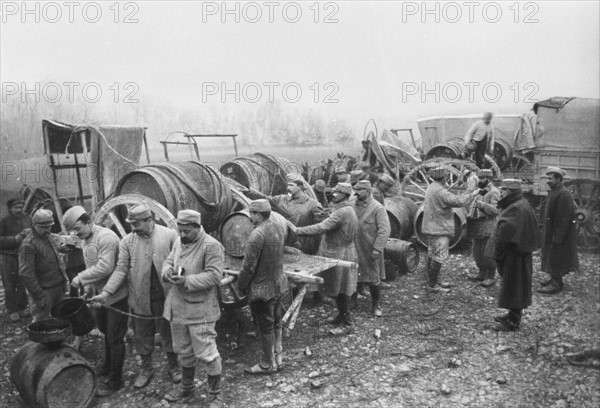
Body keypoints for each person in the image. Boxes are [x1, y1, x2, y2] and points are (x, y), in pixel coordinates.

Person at [90, 204, 181, 389]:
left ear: (150, 220)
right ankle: (146, 369)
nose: (134, 228)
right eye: (131, 224)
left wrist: (178, 274)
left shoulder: (170, 235)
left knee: (169, 333)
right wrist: (106, 293)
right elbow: (121, 269)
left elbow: (182, 261)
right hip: (141, 298)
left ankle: (174, 366)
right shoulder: (127, 242)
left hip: (166, 296)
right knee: (142, 335)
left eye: (137, 224)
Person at [160, 210, 225, 406]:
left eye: (187, 231)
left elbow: (215, 275)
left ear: (198, 227)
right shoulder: (180, 241)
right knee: (184, 351)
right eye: (179, 230)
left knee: (207, 353)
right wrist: (167, 273)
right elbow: (169, 260)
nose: (182, 235)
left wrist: (187, 280)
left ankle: (216, 394)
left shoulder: (211, 246)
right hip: (178, 308)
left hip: (201, 311)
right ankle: (187, 389)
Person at [62, 206, 128, 397]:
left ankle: (116, 380)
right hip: (99, 294)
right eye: (73, 231)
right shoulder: (86, 239)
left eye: (78, 229)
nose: (76, 234)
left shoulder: (105, 237)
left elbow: (106, 267)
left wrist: (80, 278)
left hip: (115, 295)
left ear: (89, 222)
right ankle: (107, 367)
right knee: (106, 331)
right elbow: (92, 266)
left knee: (115, 337)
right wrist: (89, 289)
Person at [292, 183, 359, 336]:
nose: (334, 194)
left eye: (338, 192)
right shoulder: (346, 209)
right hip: (344, 250)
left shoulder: (342, 212)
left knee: (341, 289)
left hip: (340, 253)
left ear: (345, 195)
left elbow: (320, 228)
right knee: (338, 288)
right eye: (334, 191)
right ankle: (340, 316)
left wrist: (296, 230)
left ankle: (347, 323)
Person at [237, 200, 288, 374]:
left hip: (262, 289)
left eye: (252, 213)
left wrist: (241, 285)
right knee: (276, 321)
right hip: (278, 283)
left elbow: (248, 267)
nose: (250, 217)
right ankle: (278, 357)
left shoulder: (257, 234)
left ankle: (267, 364)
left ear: (258, 214)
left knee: (265, 325)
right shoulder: (278, 227)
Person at [491, 179, 540, 331]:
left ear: (510, 192)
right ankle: (513, 314)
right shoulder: (521, 204)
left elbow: (506, 230)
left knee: (515, 286)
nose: (501, 193)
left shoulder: (516, 208)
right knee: (515, 285)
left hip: (515, 254)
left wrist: (498, 251)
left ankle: (513, 321)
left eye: (503, 190)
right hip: (520, 252)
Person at [422, 167, 474, 292]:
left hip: (431, 227)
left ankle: (433, 282)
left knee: (432, 254)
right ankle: (432, 286)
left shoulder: (431, 187)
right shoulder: (440, 191)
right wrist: (472, 193)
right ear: (444, 177)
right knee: (438, 256)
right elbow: (459, 201)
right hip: (440, 228)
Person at [19, 209, 69, 322]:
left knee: (59, 319)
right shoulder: (28, 245)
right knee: (42, 323)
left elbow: (52, 251)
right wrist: (39, 295)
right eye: (43, 227)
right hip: (44, 290)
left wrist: (61, 249)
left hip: (58, 285)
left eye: (49, 226)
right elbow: (26, 274)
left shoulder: (47, 236)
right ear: (34, 225)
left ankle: (58, 339)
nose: (47, 230)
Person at [352, 181, 391, 317]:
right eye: (355, 189)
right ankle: (353, 301)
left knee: (374, 278)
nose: (356, 193)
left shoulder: (377, 208)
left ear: (368, 191)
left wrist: (377, 249)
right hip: (354, 247)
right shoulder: (352, 204)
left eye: (359, 190)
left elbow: (384, 230)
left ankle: (375, 305)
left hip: (370, 249)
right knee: (354, 274)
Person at [538, 167, 579, 295]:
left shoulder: (563, 194)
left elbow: (564, 219)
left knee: (557, 256)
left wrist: (558, 237)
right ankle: (554, 279)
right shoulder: (555, 191)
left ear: (558, 179)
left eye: (550, 178)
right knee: (551, 255)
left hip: (559, 234)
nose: (548, 181)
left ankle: (556, 284)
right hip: (552, 232)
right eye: (547, 178)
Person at [466, 169, 500, 287]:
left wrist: (483, 206)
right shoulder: (480, 191)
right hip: (477, 226)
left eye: (482, 178)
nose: (479, 180)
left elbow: (496, 210)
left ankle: (490, 276)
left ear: (489, 179)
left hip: (488, 227)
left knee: (487, 253)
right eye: (478, 178)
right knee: (477, 252)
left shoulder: (494, 192)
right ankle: (481, 273)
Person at [0, 198, 31, 322]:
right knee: (10, 283)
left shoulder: (27, 219)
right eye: (16, 208)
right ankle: (12, 310)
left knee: (22, 281)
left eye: (21, 207)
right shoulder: (4, 221)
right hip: (7, 256)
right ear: (10, 208)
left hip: (23, 255)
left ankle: (22, 307)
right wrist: (14, 239)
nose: (19, 210)